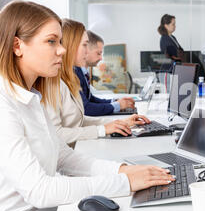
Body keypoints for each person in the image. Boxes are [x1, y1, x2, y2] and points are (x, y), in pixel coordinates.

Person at [0, 0, 174, 211]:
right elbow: (40, 191)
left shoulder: (30, 99)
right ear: (17, 46)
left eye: (60, 41)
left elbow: (64, 157)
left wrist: (124, 170)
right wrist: (125, 182)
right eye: (51, 41)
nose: (62, 49)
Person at [44, 19, 150, 148]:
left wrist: (120, 122)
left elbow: (79, 121)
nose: (87, 52)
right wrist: (103, 130)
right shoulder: (52, 83)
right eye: (84, 45)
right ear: (71, 45)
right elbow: (56, 134)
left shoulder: (69, 80)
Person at [75, 30, 135, 116]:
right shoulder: (75, 72)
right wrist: (117, 105)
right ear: (86, 50)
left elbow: (90, 99)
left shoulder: (82, 71)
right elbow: (86, 108)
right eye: (98, 53)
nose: (100, 58)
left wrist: (114, 102)